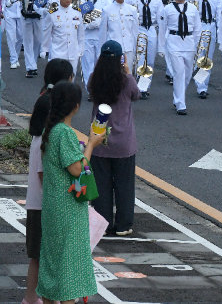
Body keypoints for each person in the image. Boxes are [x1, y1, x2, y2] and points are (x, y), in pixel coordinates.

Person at [36, 80, 102, 304]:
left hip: (53, 206)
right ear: (76, 106)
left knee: (52, 262)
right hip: (68, 209)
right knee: (69, 266)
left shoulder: (51, 130)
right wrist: (91, 144)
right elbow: (77, 169)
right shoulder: (65, 133)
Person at [23, 59, 71, 304]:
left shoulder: (39, 138)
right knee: (49, 258)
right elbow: (45, 176)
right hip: (46, 205)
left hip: (38, 204)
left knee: (38, 257)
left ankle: (31, 298)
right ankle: (38, 298)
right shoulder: (46, 140)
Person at [87, 40, 139, 236]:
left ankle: (103, 224)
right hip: (124, 142)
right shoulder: (126, 81)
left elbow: (91, 92)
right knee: (124, 185)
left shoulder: (94, 78)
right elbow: (136, 95)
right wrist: (127, 71)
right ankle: (124, 225)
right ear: (120, 59)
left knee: (101, 184)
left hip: (99, 139)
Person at [157, 0, 202, 115]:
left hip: (189, 43)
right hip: (174, 42)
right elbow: (162, 29)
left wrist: (198, 46)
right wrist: (162, 47)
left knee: (188, 74)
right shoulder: (167, 9)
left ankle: (178, 95)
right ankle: (180, 103)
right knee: (179, 73)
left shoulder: (193, 8)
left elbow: (197, 29)